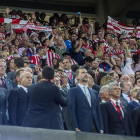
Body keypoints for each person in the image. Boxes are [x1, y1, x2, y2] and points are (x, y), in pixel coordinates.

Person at [68, 68, 104, 133]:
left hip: (96, 127)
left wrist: (101, 127)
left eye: (86, 72)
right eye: (83, 72)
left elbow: (98, 111)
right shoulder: (72, 91)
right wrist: (75, 126)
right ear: (77, 77)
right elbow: (71, 110)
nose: (86, 74)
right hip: (82, 126)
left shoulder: (94, 92)